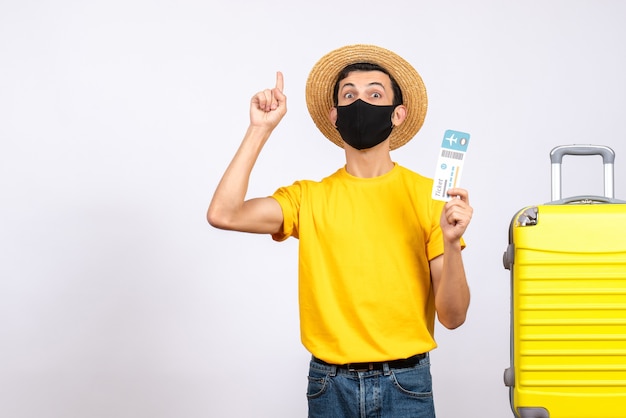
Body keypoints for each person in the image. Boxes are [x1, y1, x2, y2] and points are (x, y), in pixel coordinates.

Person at [207, 44, 472, 418]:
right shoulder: (308, 198)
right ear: (334, 115)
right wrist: (259, 129)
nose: (360, 102)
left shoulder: (432, 201)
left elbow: (453, 316)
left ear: (398, 114)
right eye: (349, 95)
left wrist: (451, 243)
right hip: (329, 386)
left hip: (406, 385)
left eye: (374, 94)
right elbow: (224, 213)